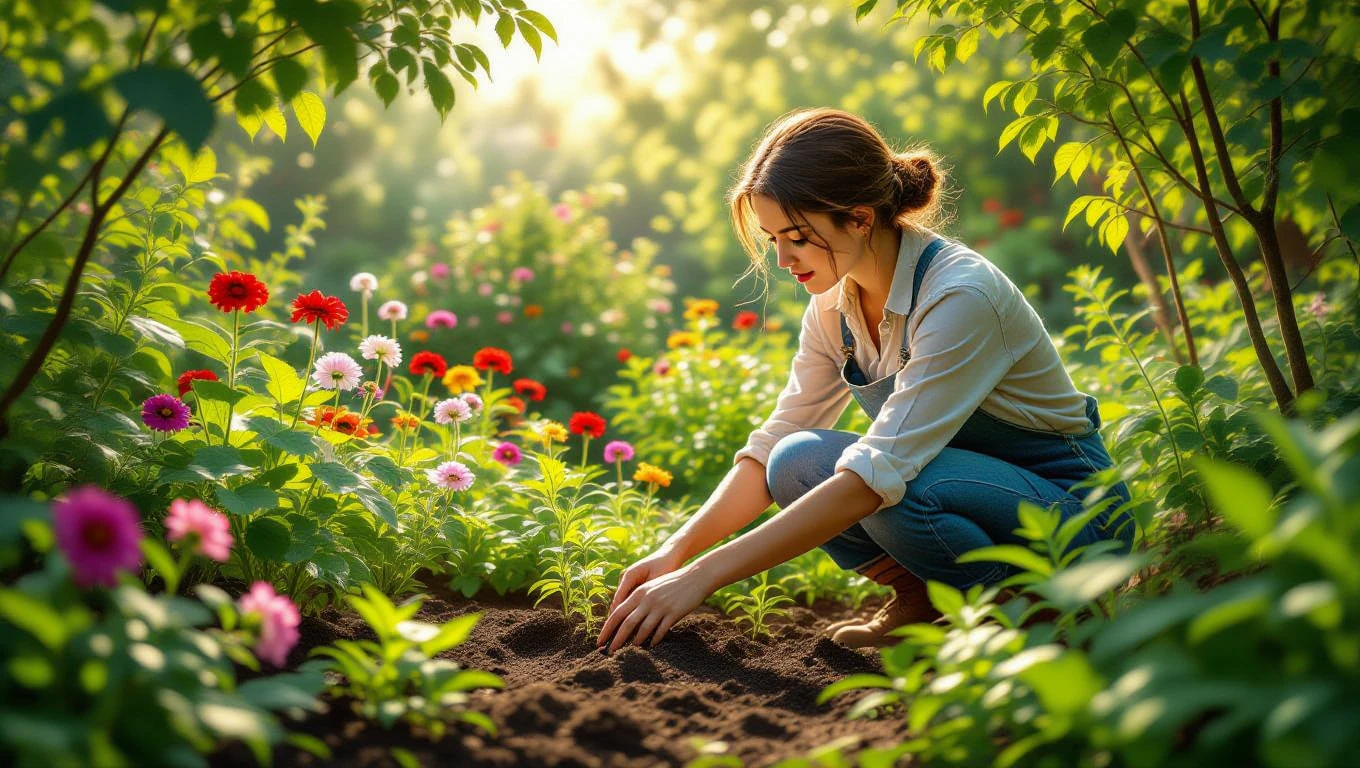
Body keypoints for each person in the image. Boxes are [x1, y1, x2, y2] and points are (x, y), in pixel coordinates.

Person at [595, 107, 1134, 654]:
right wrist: (675, 552)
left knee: (892, 490)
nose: (782, 258)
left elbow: (877, 476)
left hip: (1073, 518)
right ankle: (920, 596)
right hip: (958, 486)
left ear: (858, 217)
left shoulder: (958, 296)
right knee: (796, 458)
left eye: (798, 237)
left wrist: (702, 578)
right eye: (772, 238)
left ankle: (1034, 614)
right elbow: (774, 444)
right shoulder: (834, 303)